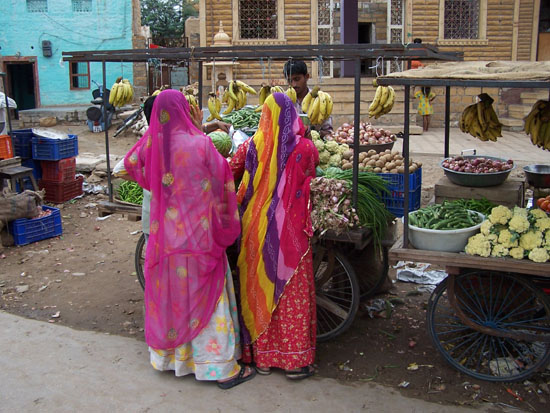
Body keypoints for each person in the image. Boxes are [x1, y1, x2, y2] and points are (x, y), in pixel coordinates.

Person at [123, 89, 255, 389]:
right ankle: (220, 368)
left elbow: (126, 166)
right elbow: (224, 179)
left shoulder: (155, 148)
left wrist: (158, 186)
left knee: (175, 297)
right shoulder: (201, 144)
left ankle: (171, 360)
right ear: (185, 110)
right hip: (201, 238)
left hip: (168, 240)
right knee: (208, 299)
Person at [236, 92, 319, 380]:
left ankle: (263, 360)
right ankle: (294, 362)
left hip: (257, 232)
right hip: (291, 235)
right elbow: (311, 175)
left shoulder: (250, 147)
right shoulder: (306, 148)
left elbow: (233, 171)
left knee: (260, 290)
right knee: (290, 295)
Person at [140, 95, 231, 243]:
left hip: (159, 219)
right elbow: (219, 170)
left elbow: (123, 169)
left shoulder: (150, 143)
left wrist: (151, 184)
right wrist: (199, 132)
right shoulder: (195, 142)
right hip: (188, 220)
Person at [283, 60, 333, 138]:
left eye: (297, 79)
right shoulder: (283, 100)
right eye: (290, 81)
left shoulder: (320, 100)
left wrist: (315, 134)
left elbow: (328, 131)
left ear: (306, 77)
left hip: (314, 147)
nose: (293, 84)